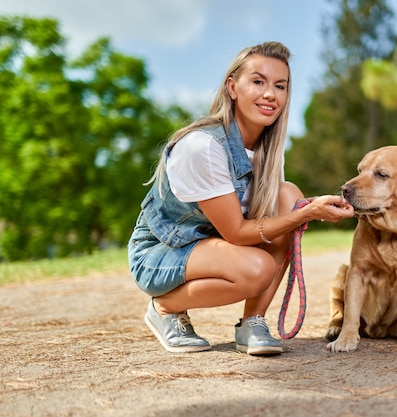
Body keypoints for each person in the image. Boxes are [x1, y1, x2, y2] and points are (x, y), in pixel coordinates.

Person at [127, 41, 354, 356]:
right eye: (258, 81)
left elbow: (264, 213)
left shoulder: (268, 151)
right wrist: (306, 215)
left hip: (212, 248)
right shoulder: (203, 147)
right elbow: (235, 231)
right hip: (161, 254)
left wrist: (312, 206)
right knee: (257, 267)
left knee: (290, 196)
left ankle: (252, 322)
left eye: (280, 86)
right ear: (232, 88)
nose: (270, 94)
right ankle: (165, 307)